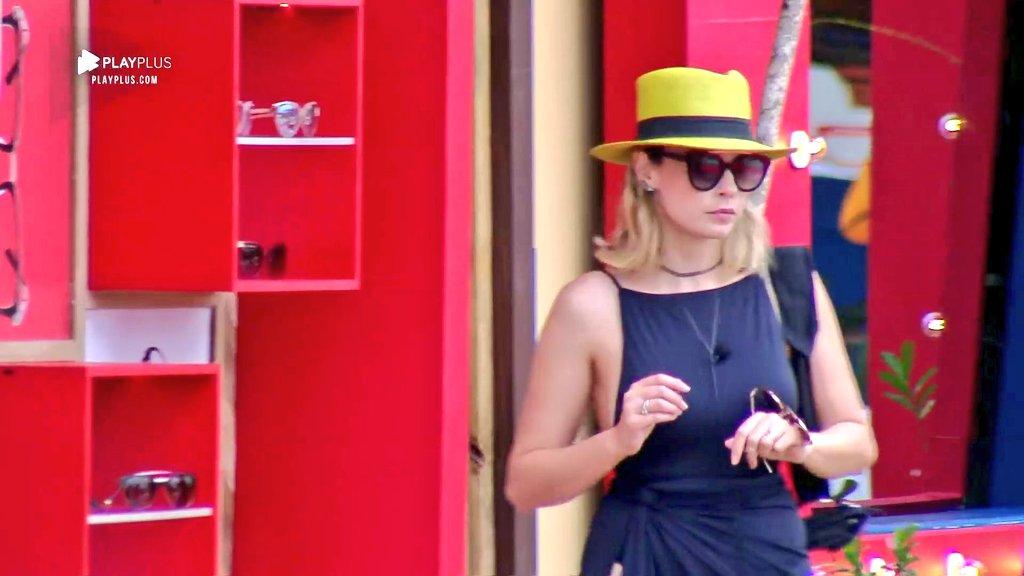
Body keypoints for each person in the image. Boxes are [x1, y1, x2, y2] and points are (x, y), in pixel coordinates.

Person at [504, 67, 878, 575]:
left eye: (745, 169)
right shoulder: (593, 305)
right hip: (648, 547)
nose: (728, 188)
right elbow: (525, 483)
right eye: (705, 168)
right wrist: (618, 440)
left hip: (766, 550)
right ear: (647, 170)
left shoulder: (786, 285)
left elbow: (858, 442)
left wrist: (801, 443)